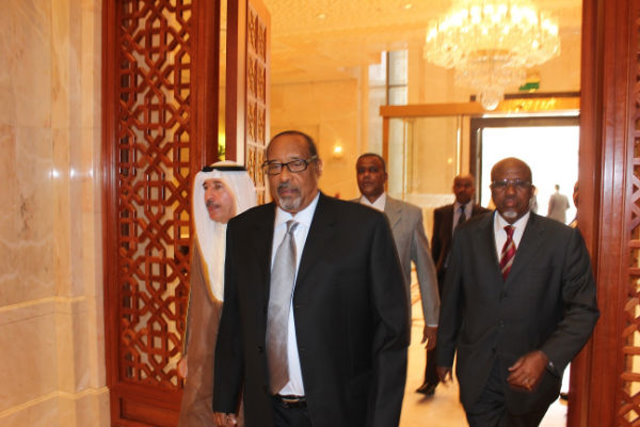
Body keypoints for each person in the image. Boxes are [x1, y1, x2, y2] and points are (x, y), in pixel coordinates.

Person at [213, 131, 409, 427]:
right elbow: (234, 319)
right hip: (267, 411)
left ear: (317, 167)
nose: (284, 176)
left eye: (296, 164)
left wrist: (382, 418)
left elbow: (391, 333)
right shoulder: (244, 231)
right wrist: (225, 396)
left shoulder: (363, 228)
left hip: (339, 410)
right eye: (274, 166)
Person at [437, 157, 599, 426]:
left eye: (519, 184)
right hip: (478, 372)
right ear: (491, 190)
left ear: (532, 190)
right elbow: (453, 298)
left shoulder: (562, 240)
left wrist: (546, 356)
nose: (510, 191)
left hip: (533, 380)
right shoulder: (467, 235)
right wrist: (443, 354)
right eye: (502, 184)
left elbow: (584, 310)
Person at [177, 162, 257, 427]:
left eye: (218, 187)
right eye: (205, 187)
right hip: (204, 353)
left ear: (238, 191)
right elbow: (193, 302)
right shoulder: (202, 240)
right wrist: (186, 353)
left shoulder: (259, 241)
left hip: (243, 354)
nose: (208, 196)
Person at [353, 153, 440, 384]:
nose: (366, 175)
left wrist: (432, 320)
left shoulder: (409, 215)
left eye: (373, 170)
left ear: (385, 176)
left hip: (393, 321)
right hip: (351, 320)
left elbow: (425, 269)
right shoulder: (343, 214)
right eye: (361, 171)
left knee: (389, 385)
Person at [419, 174, 490, 396]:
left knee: (472, 329)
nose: (462, 189)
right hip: (445, 279)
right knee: (438, 327)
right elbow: (436, 246)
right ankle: (430, 380)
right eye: (458, 185)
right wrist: (433, 275)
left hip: (473, 281)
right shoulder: (441, 214)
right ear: (453, 188)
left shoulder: (485, 215)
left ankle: (471, 379)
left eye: (467, 185)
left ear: (473, 189)